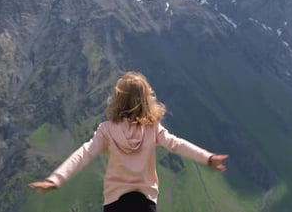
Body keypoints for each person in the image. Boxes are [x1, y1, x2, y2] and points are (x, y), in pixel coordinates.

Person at [29, 71, 229, 212]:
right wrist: (207, 158)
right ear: (146, 99)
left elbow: (84, 153)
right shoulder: (152, 129)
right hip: (145, 202)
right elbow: (177, 145)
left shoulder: (106, 130)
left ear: (117, 100)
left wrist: (55, 179)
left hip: (115, 202)